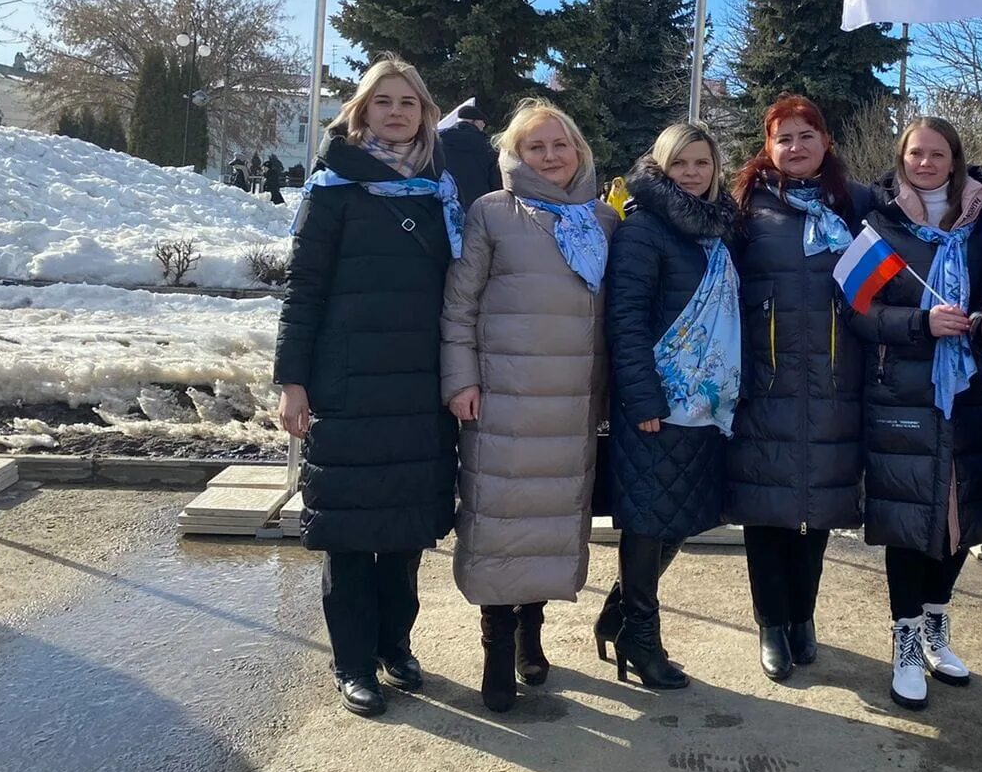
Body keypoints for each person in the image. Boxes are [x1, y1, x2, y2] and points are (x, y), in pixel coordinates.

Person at [273, 57, 462, 718]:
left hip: (418, 385)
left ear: (425, 113)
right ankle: (353, 661)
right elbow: (304, 290)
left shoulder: (443, 192)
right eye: (382, 100)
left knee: (406, 532)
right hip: (350, 384)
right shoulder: (332, 190)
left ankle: (394, 644)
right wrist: (291, 380)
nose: (396, 111)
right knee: (351, 535)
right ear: (360, 112)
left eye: (409, 101)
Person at [441, 99, 618, 713]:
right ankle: (495, 645)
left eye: (559, 144)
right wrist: (460, 379)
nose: (549, 156)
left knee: (548, 524)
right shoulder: (491, 213)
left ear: (578, 151)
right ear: (514, 155)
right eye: (535, 147)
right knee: (499, 524)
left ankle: (531, 635)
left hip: (571, 403)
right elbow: (459, 306)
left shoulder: (602, 220)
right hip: (503, 399)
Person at [844, 117, 982, 711]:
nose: (926, 163)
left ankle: (937, 624)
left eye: (937, 154)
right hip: (903, 391)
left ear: (955, 158)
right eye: (915, 153)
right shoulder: (882, 220)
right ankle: (906, 638)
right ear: (901, 157)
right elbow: (859, 310)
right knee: (910, 518)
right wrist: (919, 323)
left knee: (960, 513)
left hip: (967, 390)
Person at [725, 95, 871, 682]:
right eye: (783, 138)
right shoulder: (748, 208)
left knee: (819, 506)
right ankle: (771, 621)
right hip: (768, 376)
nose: (796, 147)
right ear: (768, 147)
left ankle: (804, 616)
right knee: (768, 508)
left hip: (836, 377)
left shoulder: (856, 205)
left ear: (826, 141)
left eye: (806, 135)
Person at [598, 123, 740, 690]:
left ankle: (618, 617)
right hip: (658, 402)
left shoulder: (719, 229)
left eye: (702, 163)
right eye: (680, 163)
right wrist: (641, 396)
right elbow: (625, 320)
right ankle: (641, 633)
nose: (692, 173)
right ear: (660, 167)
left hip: (705, 404)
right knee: (647, 520)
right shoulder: (644, 230)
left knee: (677, 519)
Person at [438, 97, 503, 212]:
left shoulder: (438, 140)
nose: (482, 128)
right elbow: (496, 182)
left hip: (444, 203)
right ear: (475, 122)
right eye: (482, 125)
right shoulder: (488, 145)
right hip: (479, 206)